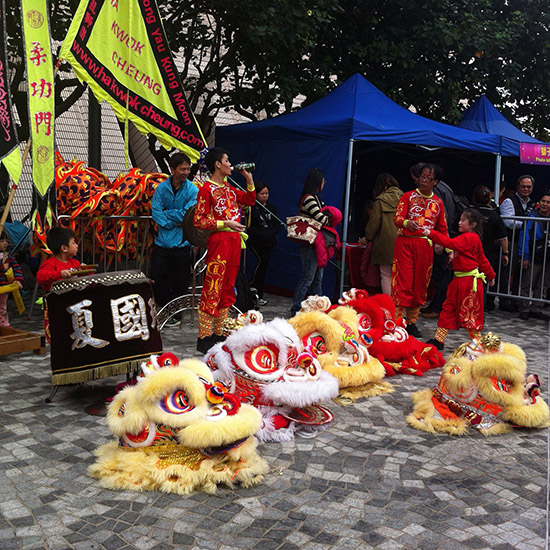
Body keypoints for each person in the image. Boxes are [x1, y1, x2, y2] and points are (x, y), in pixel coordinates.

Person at [193, 147, 256, 353]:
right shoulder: (206, 190)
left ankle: (219, 334)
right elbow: (199, 220)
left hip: (233, 243)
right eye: (227, 160)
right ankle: (204, 337)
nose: (231, 164)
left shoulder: (229, 189)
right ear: (217, 164)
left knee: (228, 286)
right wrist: (225, 223)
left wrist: (248, 179)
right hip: (219, 242)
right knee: (213, 287)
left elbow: (249, 200)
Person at [423, 209, 495, 350]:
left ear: (473, 224)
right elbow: (482, 260)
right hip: (461, 281)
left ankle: (476, 342)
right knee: (453, 309)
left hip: (467, 283)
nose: (459, 223)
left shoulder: (468, 238)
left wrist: (431, 233)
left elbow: (449, 243)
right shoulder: (473, 239)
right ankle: (440, 339)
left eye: (463, 220)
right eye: (460, 219)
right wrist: (490, 275)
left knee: (466, 313)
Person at [391, 163, 448, 338]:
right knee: (403, 282)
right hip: (406, 244)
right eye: (422, 177)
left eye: (428, 178)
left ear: (435, 182)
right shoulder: (408, 197)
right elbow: (397, 218)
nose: (423, 181)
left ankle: (412, 323)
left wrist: (446, 246)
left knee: (420, 285)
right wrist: (407, 223)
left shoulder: (438, 203)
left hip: (425, 247)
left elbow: (442, 228)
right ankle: (397, 322)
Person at [150, 152, 198, 313]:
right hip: (162, 242)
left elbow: (188, 213)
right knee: (157, 276)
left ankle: (178, 311)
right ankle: (164, 307)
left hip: (182, 243)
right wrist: (173, 221)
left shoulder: (192, 190)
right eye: (182, 169)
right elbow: (156, 211)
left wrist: (167, 214)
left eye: (187, 169)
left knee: (180, 280)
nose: (186, 172)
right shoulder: (162, 188)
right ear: (172, 169)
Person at [290, 168, 330, 315]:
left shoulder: (315, 198)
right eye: (323, 181)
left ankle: (318, 309)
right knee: (308, 278)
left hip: (317, 245)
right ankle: (296, 307)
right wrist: (329, 217)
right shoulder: (310, 199)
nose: (324, 183)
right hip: (310, 245)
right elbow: (322, 219)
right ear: (318, 182)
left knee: (316, 280)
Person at [498, 175, 536, 311]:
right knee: (507, 271)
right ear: (517, 186)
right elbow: (508, 222)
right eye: (523, 186)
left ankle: (515, 299)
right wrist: (527, 224)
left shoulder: (532, 203)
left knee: (520, 273)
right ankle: (504, 300)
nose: (526, 189)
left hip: (524, 243)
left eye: (529, 186)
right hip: (511, 241)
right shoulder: (509, 201)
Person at [470, 185, 509, 312]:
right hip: (486, 254)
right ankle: (479, 311)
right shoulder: (494, 216)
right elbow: (503, 238)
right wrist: (505, 253)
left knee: (466, 282)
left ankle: (467, 309)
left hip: (468, 253)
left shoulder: (468, 213)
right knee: (483, 283)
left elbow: (456, 229)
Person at [363, 173, 402, 295]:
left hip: (385, 243)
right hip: (403, 241)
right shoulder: (405, 197)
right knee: (401, 276)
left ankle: (388, 306)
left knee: (385, 275)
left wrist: (367, 237)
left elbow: (374, 223)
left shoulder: (380, 201)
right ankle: (400, 307)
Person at [517, 191, 550, 320]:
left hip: (547, 258)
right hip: (533, 255)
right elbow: (524, 237)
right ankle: (524, 307)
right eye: (543, 201)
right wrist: (524, 256)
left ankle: (536, 307)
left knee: (544, 284)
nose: (545, 204)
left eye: (548, 202)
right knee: (528, 281)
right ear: (538, 203)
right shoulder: (531, 217)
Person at [246, 182, 280, 306]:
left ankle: (259, 292)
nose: (265, 196)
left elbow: (277, 224)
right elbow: (248, 227)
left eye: (267, 194)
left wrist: (271, 233)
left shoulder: (271, 207)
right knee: (262, 261)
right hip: (255, 241)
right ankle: (252, 286)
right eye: (262, 194)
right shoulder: (251, 208)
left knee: (265, 266)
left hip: (268, 241)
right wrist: (261, 233)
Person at [36, 227, 81, 292]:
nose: (77, 246)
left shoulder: (75, 263)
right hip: (56, 299)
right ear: (64, 248)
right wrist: (59, 274)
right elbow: (40, 277)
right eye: (73, 243)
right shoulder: (49, 264)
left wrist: (85, 271)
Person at [0, 231, 23, 327]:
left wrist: (18, 280)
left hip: (4, 288)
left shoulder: (8, 257)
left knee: (2, 307)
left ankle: (4, 324)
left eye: (6, 240)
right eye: (1, 241)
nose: (5, 243)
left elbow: (17, 269)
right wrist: (1, 267)